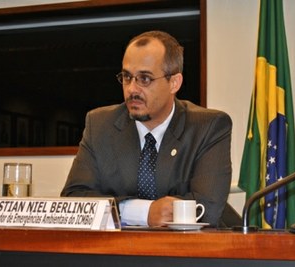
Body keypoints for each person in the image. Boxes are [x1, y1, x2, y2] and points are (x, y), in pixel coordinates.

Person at [61, 30, 233, 227]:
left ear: (174, 83)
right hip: (119, 254)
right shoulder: (100, 125)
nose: (132, 89)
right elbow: (74, 200)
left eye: (145, 79)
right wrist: (143, 213)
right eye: (127, 77)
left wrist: (117, 209)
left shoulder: (208, 126)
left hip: (190, 253)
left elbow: (207, 209)